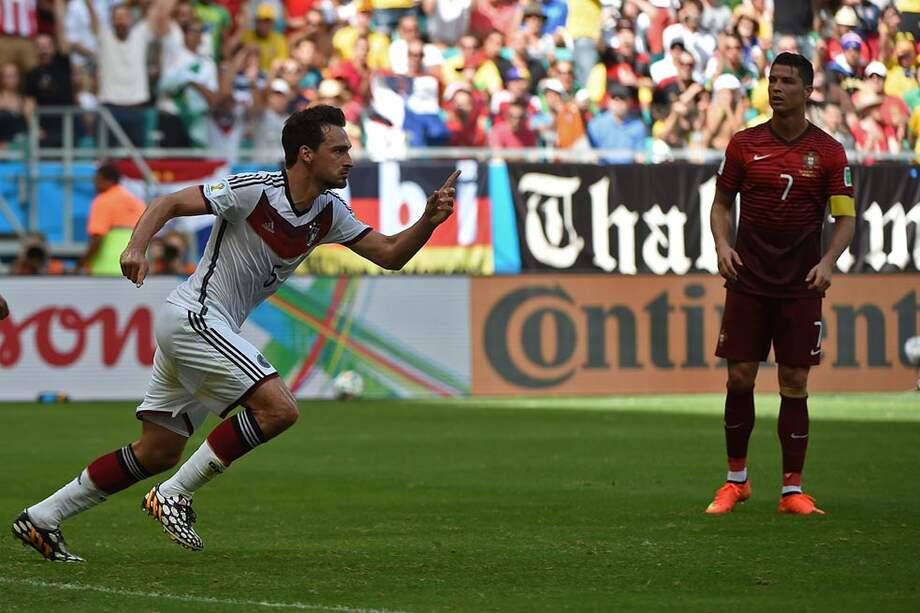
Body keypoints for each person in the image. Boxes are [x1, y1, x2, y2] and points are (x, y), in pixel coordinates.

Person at [11, 105, 460, 562]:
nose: (349, 158)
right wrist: (135, 246)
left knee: (159, 450)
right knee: (279, 409)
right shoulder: (253, 190)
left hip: (201, 326)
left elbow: (388, 254)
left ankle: (43, 516)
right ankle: (174, 495)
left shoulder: (329, 212)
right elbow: (167, 203)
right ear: (306, 155)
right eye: (339, 149)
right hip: (196, 317)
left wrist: (427, 221)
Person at [705, 53, 856, 516]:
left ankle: (792, 490)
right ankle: (736, 481)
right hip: (748, 278)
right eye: (773, 80)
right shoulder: (744, 144)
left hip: (800, 283)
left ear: (807, 91)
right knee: (740, 377)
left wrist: (829, 260)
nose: (777, 88)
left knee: (793, 381)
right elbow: (721, 203)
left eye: (788, 81)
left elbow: (845, 219)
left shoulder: (829, 152)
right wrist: (721, 245)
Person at [81, 163, 147, 275]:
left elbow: (97, 237)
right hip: (135, 270)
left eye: (96, 180)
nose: (94, 184)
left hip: (106, 269)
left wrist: (83, 263)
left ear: (106, 180)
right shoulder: (137, 202)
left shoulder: (103, 201)